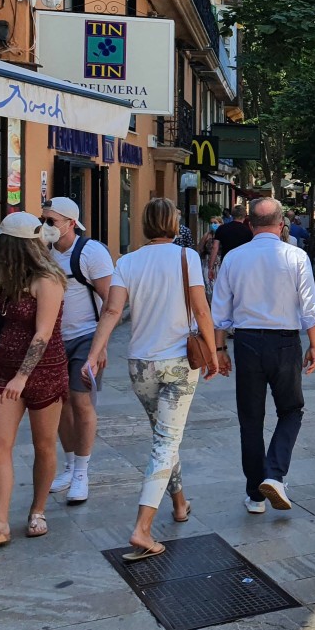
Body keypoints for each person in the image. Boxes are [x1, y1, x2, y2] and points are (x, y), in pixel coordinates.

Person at [86, 199, 219, 560]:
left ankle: (179, 503)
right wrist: (213, 350)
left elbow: (113, 310)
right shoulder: (185, 257)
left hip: (140, 365)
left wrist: (96, 350)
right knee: (165, 441)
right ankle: (142, 529)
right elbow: (201, 308)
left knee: (164, 436)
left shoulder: (126, 262)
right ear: (174, 224)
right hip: (178, 362)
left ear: (144, 224)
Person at [0, 213, 69, 549]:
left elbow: (43, 333)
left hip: (44, 372)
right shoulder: (10, 277)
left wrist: (23, 377)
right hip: (4, 370)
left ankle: (38, 510)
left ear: (12, 245)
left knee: (43, 445)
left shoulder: (47, 280)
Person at [211, 198, 315, 514]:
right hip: (285, 342)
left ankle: (256, 494)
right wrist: (314, 345)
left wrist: (219, 350)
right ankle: (274, 473)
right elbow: (310, 308)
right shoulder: (296, 256)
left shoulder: (233, 258)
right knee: (292, 410)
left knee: (250, 418)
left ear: (249, 224)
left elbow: (220, 310)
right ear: (282, 223)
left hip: (246, 342)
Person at [42, 197, 113, 506]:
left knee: (81, 402)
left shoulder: (91, 253)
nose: (45, 226)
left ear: (71, 223)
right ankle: (70, 467)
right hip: (53, 340)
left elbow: (111, 302)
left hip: (85, 336)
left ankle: (82, 472)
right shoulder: (42, 252)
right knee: (60, 405)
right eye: (42, 220)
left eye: (51, 221)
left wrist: (101, 347)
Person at [210, 204, 253, 280]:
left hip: (226, 262)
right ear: (245, 215)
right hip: (242, 265)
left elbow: (215, 248)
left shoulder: (221, 229)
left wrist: (211, 267)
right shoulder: (248, 231)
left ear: (232, 215)